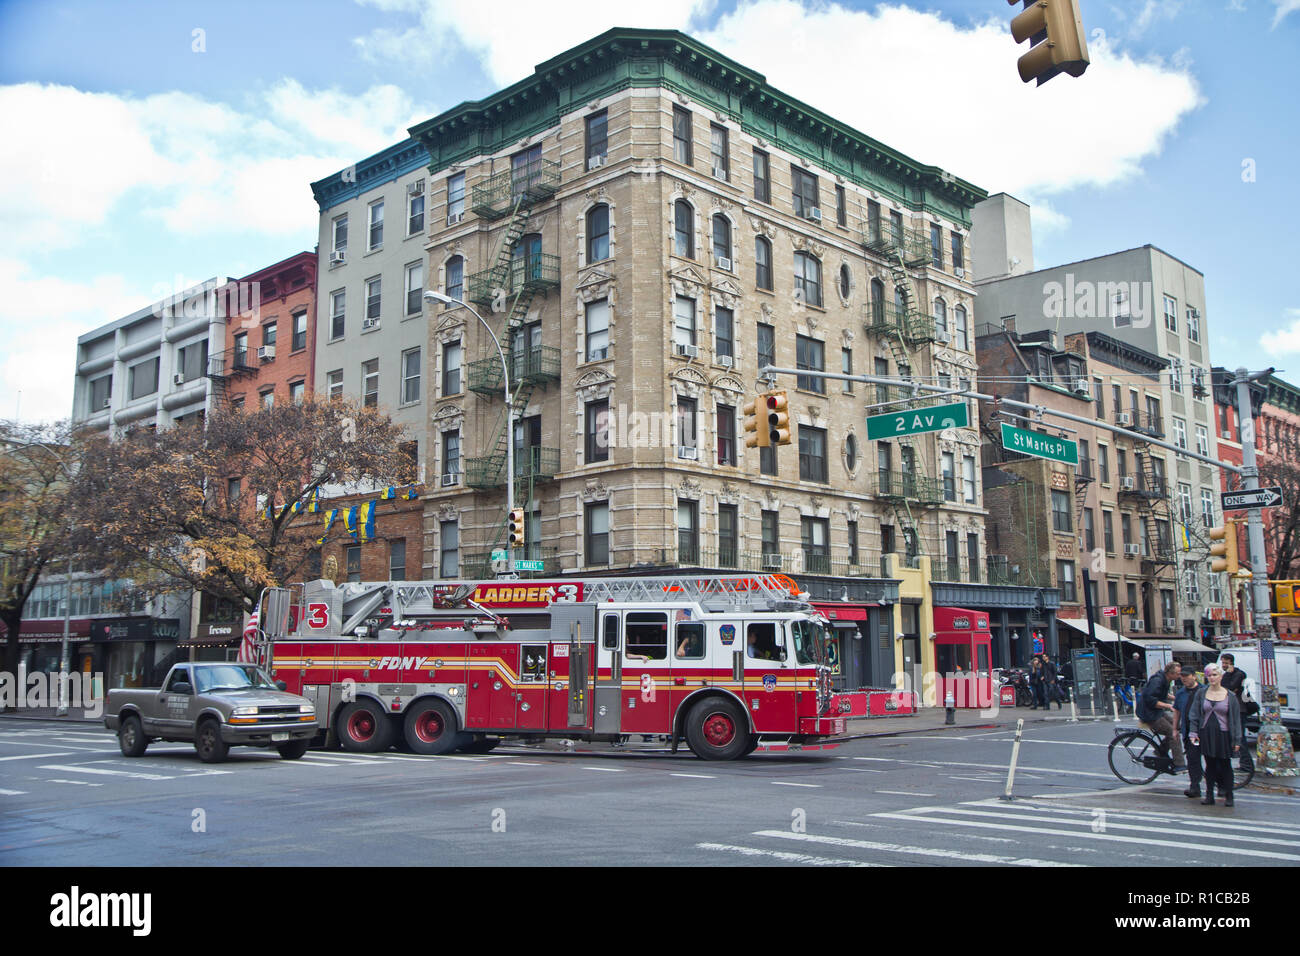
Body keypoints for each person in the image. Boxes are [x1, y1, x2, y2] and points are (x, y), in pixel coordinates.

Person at [1189, 662, 1242, 807]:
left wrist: (1237, 740)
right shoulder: (1201, 693)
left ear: (1220, 676)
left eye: (1214, 675)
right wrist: (1193, 732)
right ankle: (1209, 795)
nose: (1212, 678)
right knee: (1210, 765)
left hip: (1223, 734)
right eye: (1209, 675)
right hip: (1206, 733)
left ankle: (1229, 795)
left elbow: (1236, 720)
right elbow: (1194, 714)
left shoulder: (1229, 696)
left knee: (1225, 765)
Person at [1137, 661, 1186, 771]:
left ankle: (1160, 751)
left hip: (1156, 711)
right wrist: (1168, 706)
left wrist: (1176, 698)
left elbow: (1163, 694)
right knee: (1173, 733)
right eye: (1178, 674)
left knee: (1177, 726)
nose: (1180, 676)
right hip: (1149, 714)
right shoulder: (1157, 681)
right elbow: (1150, 700)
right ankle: (1179, 764)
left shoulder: (1165, 679)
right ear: (1170, 673)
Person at [1219, 653, 1256, 775]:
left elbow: (1228, 688)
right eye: (1222, 663)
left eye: (1225, 663)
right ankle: (1244, 763)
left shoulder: (1239, 674)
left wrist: (1228, 674)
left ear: (1231, 662)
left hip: (1240, 709)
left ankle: (1247, 765)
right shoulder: (1227, 675)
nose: (1223, 665)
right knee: (1236, 737)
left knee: (1240, 737)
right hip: (1231, 708)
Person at [1174, 666, 1205, 799]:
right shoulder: (1181, 693)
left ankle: (1219, 785)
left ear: (1194, 676)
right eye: (1182, 676)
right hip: (1189, 732)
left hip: (1204, 731)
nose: (1184, 678)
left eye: (1186, 676)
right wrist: (1174, 728)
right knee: (1193, 759)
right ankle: (1195, 786)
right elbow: (1177, 710)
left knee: (1213, 759)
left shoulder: (1204, 690)